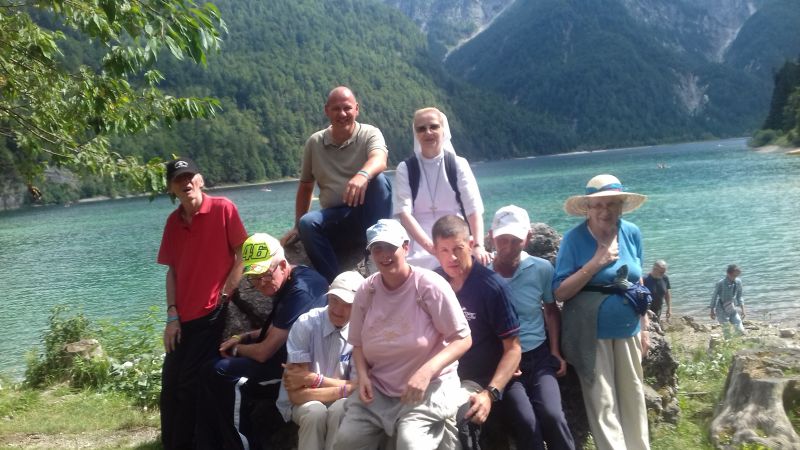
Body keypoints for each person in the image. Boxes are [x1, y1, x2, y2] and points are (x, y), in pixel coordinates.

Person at [334, 219, 472, 450]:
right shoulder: (366, 291)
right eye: (377, 248)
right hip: (380, 388)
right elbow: (357, 345)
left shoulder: (429, 286)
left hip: (429, 386)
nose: (384, 255)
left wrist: (426, 372)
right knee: (347, 440)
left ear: (406, 247)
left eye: (391, 247)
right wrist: (363, 376)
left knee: (410, 443)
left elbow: (463, 339)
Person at [197, 233, 328, 450]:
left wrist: (237, 349)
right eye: (254, 278)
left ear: (283, 265)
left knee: (221, 373)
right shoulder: (296, 277)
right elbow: (280, 328)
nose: (261, 283)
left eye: (265, 275)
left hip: (298, 370)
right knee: (208, 370)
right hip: (287, 356)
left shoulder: (300, 292)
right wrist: (243, 337)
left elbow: (263, 353)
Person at [552, 174, 651, 450]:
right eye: (598, 205)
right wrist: (596, 263)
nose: (605, 211)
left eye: (611, 204)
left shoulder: (631, 232)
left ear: (621, 206)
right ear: (588, 208)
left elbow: (638, 281)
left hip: (629, 327)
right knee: (602, 401)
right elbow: (559, 291)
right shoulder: (574, 239)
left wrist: (645, 328)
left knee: (633, 395)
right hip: (589, 332)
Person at [157, 156, 248, 450]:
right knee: (169, 387)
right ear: (171, 188)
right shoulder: (172, 223)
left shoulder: (223, 208)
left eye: (190, 177)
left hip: (211, 314)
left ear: (200, 180)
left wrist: (227, 291)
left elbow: (243, 253)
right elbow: (172, 271)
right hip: (182, 320)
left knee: (188, 384)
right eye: (178, 180)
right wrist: (171, 316)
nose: (185, 183)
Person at [430, 214, 527, 449]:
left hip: (481, 378)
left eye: (458, 248)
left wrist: (490, 393)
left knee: (464, 418)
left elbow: (513, 349)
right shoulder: (433, 282)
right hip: (442, 374)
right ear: (435, 251)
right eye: (444, 250)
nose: (452, 257)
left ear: (471, 245)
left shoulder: (492, 287)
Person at [281, 86, 392, 282]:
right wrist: (297, 226)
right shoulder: (314, 143)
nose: (342, 114)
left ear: (356, 109)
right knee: (307, 223)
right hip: (336, 220)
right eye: (336, 108)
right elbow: (306, 186)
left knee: (380, 181)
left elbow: (379, 158)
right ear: (327, 110)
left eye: (347, 108)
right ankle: (335, 283)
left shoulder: (370, 133)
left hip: (366, 215)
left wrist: (362, 175)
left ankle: (379, 248)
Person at [488, 206, 575, 450]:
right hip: (504, 362)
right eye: (502, 239)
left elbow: (551, 310)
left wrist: (555, 351)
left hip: (538, 356)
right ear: (491, 237)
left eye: (515, 240)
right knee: (527, 423)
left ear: (528, 238)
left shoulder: (541, 268)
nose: (508, 247)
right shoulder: (483, 274)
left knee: (553, 416)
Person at [276, 270, 364, 450]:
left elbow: (360, 388)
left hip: (338, 401)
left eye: (348, 304)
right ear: (328, 293)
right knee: (315, 412)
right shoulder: (306, 324)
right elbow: (297, 395)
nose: (338, 310)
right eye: (334, 300)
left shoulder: (362, 332)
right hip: (302, 404)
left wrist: (315, 379)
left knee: (341, 409)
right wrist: (346, 388)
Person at [393, 107, 490, 269]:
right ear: (416, 133)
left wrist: (479, 245)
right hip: (420, 244)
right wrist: (432, 248)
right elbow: (404, 214)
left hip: (456, 235)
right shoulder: (406, 169)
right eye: (421, 129)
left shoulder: (458, 164)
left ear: (443, 129)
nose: (428, 132)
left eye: (434, 127)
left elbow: (473, 209)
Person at [710, 264, 745, 337]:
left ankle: (736, 341)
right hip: (721, 309)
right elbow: (714, 297)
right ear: (728, 274)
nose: (735, 278)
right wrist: (712, 310)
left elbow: (739, 296)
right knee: (727, 331)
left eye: (737, 276)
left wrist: (743, 310)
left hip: (732, 308)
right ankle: (729, 342)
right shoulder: (720, 283)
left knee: (740, 329)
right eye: (734, 276)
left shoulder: (738, 282)